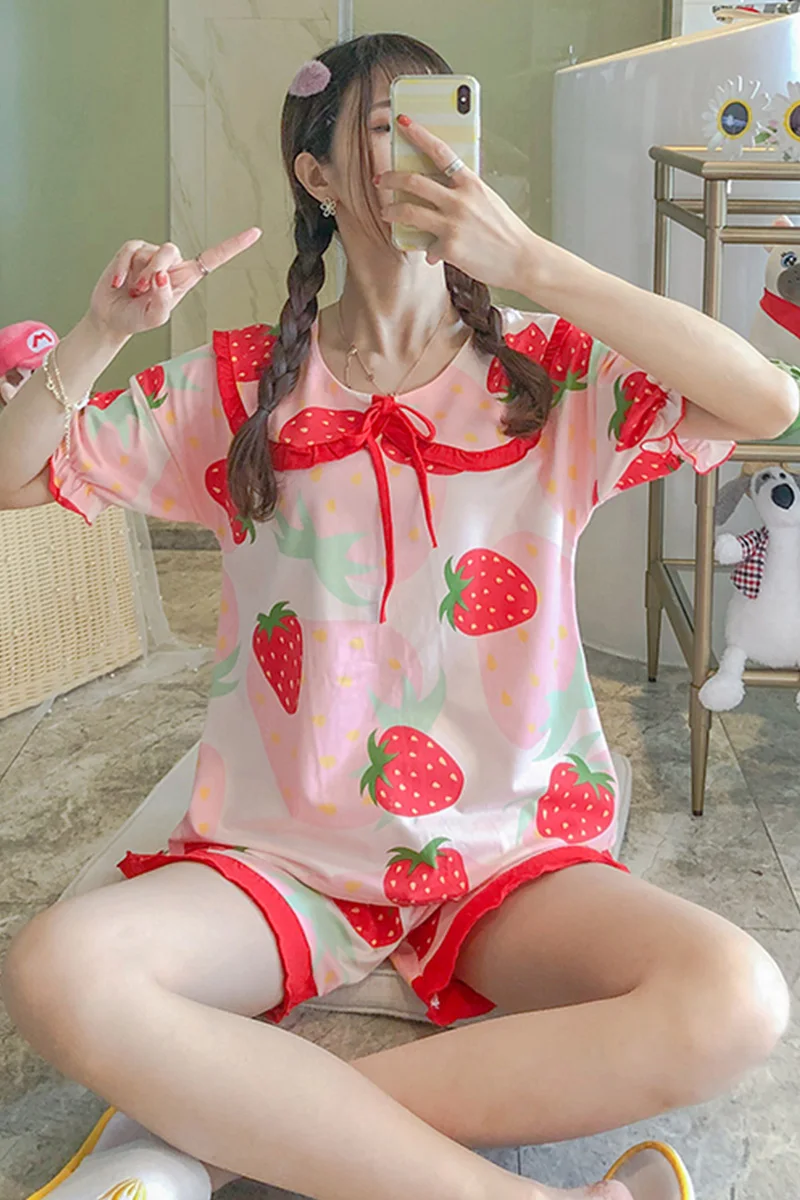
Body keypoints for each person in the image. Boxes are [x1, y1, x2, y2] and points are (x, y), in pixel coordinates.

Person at [0, 31, 796, 1200]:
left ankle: (210, 1134)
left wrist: (532, 262)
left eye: (434, 118)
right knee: (55, 973)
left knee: (735, 999)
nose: (417, 148)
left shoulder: (546, 372)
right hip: (280, 859)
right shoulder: (237, 385)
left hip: (506, 854)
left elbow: (763, 400)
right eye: (381, 127)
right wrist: (104, 330)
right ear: (314, 174)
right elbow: (16, 473)